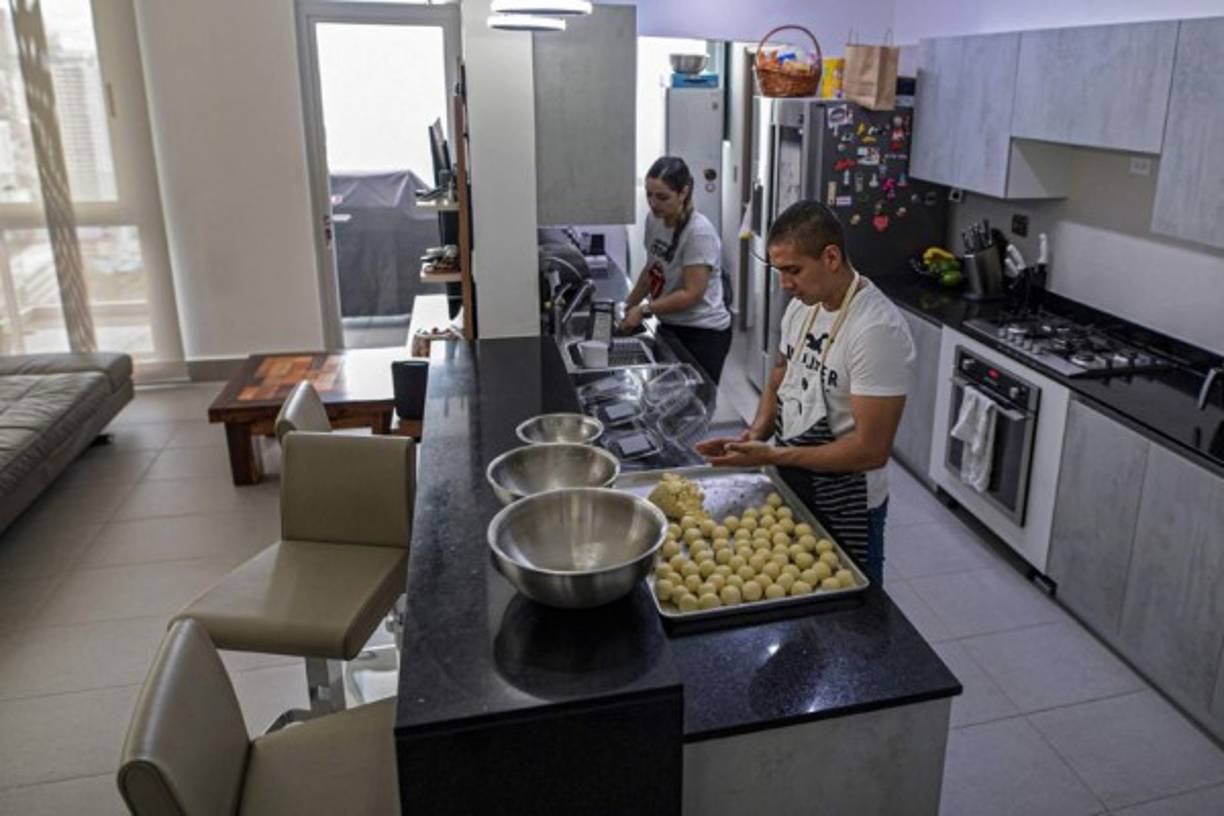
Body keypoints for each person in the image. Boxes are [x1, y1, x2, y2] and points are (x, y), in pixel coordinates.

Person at [696, 201, 914, 584]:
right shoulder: (802, 307)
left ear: (831, 257)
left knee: (853, 615)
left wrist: (776, 454)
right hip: (796, 476)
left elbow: (870, 450)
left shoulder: (876, 330)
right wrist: (756, 433)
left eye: (793, 270)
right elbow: (782, 370)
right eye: (778, 271)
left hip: (847, 498)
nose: (784, 283)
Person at [621, 156, 733, 383]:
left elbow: (692, 293)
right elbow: (651, 270)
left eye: (662, 197)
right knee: (667, 403)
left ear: (683, 193)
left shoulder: (698, 233)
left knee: (695, 409)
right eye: (649, 195)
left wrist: (644, 310)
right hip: (671, 326)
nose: (653, 203)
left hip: (703, 334)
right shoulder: (654, 221)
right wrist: (628, 305)